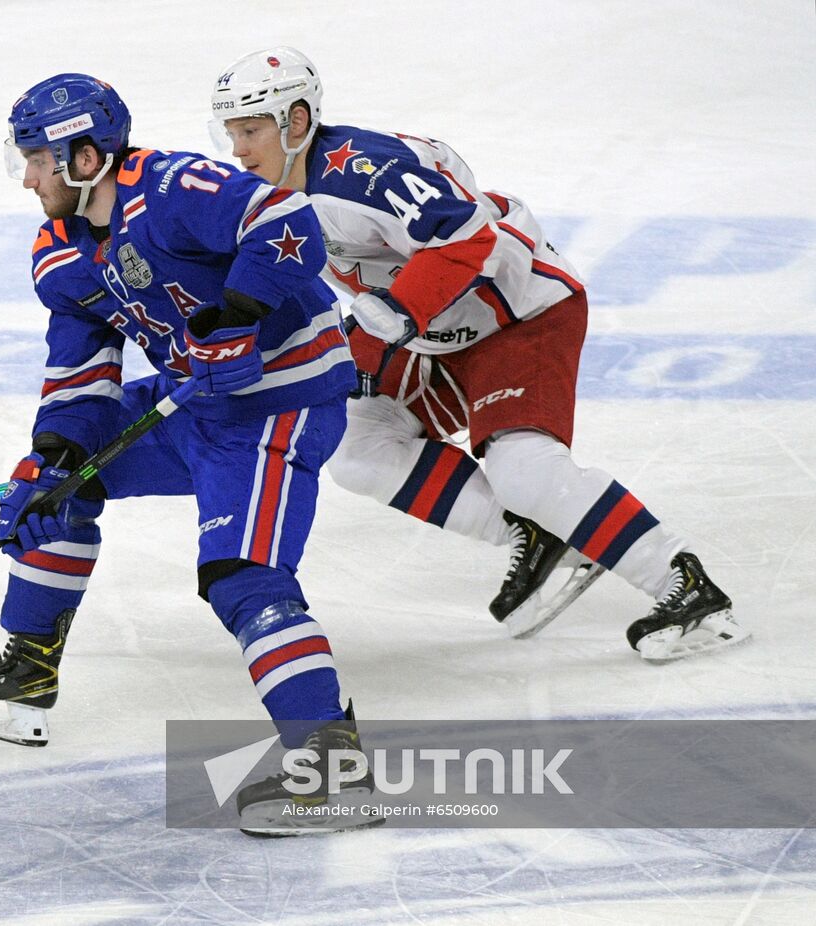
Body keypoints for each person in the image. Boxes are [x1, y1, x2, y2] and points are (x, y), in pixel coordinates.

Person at [0, 73, 378, 835]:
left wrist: (239, 316)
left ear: (86, 157)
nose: (27, 179)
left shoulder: (171, 188)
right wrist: (55, 458)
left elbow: (285, 220)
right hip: (193, 404)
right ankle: (27, 671)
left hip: (277, 405)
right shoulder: (59, 251)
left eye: (37, 160)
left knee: (244, 580)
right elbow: (80, 370)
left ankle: (332, 768)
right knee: (56, 487)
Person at [207, 47, 748, 661]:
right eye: (231, 133)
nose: (239, 150)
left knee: (524, 470)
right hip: (433, 330)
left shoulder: (364, 177)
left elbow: (468, 236)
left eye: (250, 131)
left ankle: (685, 584)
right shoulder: (282, 191)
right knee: (356, 448)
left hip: (518, 311)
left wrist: (403, 307)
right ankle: (535, 535)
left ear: (296, 122)